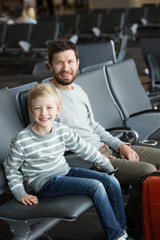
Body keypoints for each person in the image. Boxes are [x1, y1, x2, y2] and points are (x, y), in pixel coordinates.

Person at [45, 38, 160, 230]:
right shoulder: (45, 98)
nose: (66, 68)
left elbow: (95, 126)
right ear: (50, 65)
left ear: (77, 63)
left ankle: (145, 218)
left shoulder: (79, 90)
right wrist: (93, 159)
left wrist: (120, 145)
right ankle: (132, 226)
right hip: (87, 160)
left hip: (106, 149)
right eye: (59, 63)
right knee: (147, 172)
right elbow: (48, 144)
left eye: (70, 62)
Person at [3, 83, 133, 240]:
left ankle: (123, 230)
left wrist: (107, 166)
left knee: (110, 181)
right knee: (96, 186)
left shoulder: (61, 130)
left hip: (64, 171)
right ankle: (116, 235)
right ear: (30, 110)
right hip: (45, 183)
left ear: (58, 110)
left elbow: (85, 148)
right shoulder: (21, 140)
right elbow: (11, 169)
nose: (44, 113)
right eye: (38, 108)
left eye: (49, 108)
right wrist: (20, 193)